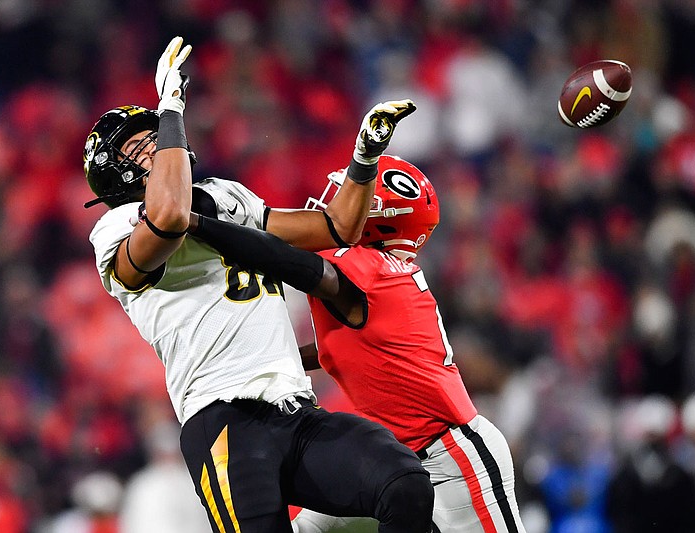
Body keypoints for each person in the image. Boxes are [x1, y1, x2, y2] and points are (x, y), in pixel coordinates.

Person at [83, 37, 434, 533]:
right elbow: (168, 217)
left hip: (296, 409)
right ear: (112, 172)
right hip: (222, 421)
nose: (157, 148)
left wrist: (364, 158)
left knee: (404, 482)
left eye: (155, 138)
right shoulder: (115, 228)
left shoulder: (225, 195)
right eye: (139, 147)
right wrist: (170, 105)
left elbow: (335, 229)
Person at [186, 155, 527, 532]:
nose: (337, 201)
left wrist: (203, 225)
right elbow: (347, 349)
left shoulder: (366, 266)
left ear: (379, 216)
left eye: (359, 193)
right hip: (395, 455)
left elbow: (284, 260)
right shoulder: (375, 275)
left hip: (452, 458)